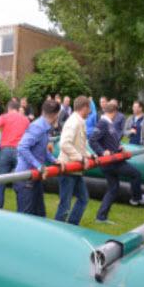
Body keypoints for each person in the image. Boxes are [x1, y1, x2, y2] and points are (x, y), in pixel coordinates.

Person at [89, 102, 144, 224]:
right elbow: (92, 140)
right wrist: (102, 152)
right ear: (114, 113)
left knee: (113, 189)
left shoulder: (108, 123)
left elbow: (110, 141)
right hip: (111, 162)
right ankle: (136, 198)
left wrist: (119, 147)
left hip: (113, 160)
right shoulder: (103, 123)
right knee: (136, 174)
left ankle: (101, 217)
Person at [14, 100, 61, 216]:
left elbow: (42, 149)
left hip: (35, 177)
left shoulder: (45, 127)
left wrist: (53, 160)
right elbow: (22, 147)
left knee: (40, 215)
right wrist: (39, 166)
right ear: (56, 114)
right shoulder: (38, 127)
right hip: (26, 178)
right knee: (25, 219)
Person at [55, 96, 93, 225]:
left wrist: (89, 155)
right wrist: (81, 158)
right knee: (65, 204)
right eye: (89, 108)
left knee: (83, 198)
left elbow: (79, 146)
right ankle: (57, 229)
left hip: (76, 169)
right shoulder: (74, 122)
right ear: (85, 108)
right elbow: (64, 144)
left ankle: (72, 225)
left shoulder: (80, 121)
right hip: (68, 169)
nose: (90, 111)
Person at [0, 100, 30, 208]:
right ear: (18, 109)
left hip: (6, 150)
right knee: (20, 184)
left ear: (9, 108)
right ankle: (21, 211)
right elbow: (30, 135)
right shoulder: (25, 119)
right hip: (20, 152)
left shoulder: (4, 116)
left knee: (1, 184)